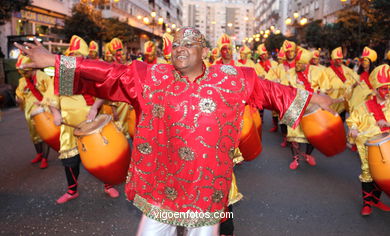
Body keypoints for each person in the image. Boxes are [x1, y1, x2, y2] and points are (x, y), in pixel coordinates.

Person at [17, 26, 335, 235]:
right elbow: (107, 74)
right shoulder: (150, 76)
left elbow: (273, 93)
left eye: (188, 45)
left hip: (206, 185)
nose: (179, 50)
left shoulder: (233, 78)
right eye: (175, 46)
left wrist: (313, 99)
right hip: (161, 181)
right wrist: (52, 61)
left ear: (203, 50)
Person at [44, 35, 120, 203]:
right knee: (70, 158)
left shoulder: (90, 72)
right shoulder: (62, 74)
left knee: (102, 154)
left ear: (84, 57)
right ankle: (72, 190)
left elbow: (104, 91)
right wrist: (55, 113)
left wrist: (94, 108)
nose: (75, 59)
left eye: (79, 56)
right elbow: (52, 98)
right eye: (72, 55)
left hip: (90, 120)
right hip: (69, 122)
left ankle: (108, 185)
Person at [346, 64, 390, 216]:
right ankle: (367, 204)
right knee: (367, 172)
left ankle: (376, 200)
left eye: (389, 88)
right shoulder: (364, 106)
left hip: (387, 147)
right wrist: (353, 128)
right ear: (376, 90)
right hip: (368, 146)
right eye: (384, 88)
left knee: (383, 175)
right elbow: (352, 120)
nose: (388, 91)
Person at [282, 48, 330, 169]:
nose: (296, 65)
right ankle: (295, 158)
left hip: (313, 105)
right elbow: (284, 87)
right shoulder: (290, 73)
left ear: (306, 64)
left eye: (299, 63)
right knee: (293, 134)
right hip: (296, 104)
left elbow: (325, 87)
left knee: (313, 134)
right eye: (296, 63)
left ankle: (308, 154)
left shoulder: (318, 72)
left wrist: (321, 94)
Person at [15, 54, 51, 169]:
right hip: (30, 114)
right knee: (34, 135)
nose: (23, 74)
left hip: (43, 111)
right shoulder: (22, 81)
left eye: (25, 71)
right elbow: (19, 94)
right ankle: (39, 154)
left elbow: (51, 92)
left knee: (45, 135)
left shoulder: (43, 76)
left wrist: (45, 102)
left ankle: (45, 158)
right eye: (21, 72)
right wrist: (18, 98)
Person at [325, 47, 359, 121]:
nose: (339, 61)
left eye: (340, 59)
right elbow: (324, 85)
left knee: (342, 121)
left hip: (344, 101)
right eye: (337, 59)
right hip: (333, 101)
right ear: (333, 60)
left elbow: (355, 79)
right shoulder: (326, 71)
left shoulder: (348, 70)